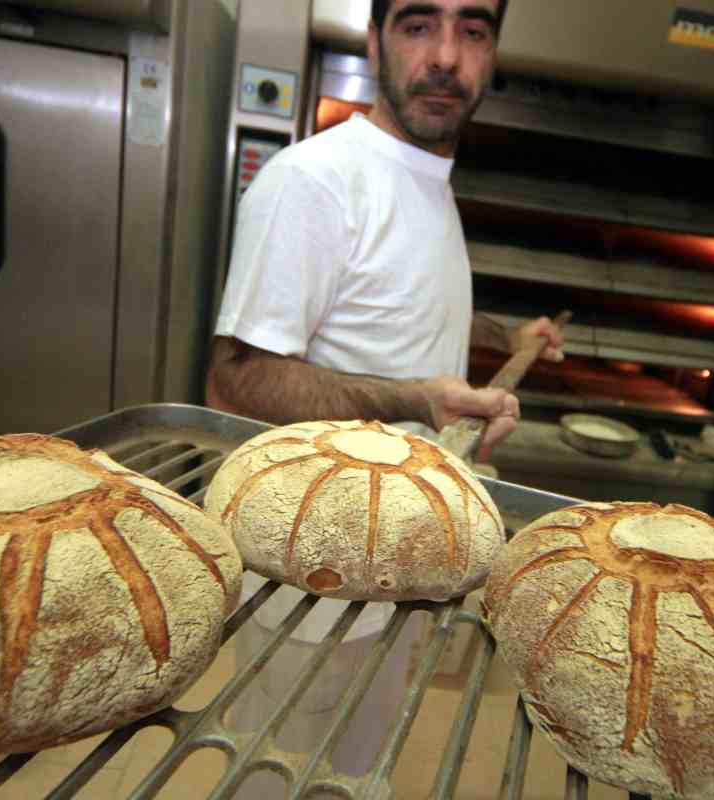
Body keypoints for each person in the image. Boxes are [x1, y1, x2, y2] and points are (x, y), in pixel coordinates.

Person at [206, 0, 564, 787]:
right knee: (281, 773)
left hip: (399, 568)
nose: (444, 55)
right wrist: (418, 400)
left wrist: (507, 338)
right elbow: (237, 376)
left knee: (358, 771)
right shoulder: (315, 181)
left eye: (472, 30)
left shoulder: (426, 178)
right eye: (416, 24)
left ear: (494, 50)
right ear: (373, 41)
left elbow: (397, 299)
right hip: (313, 586)